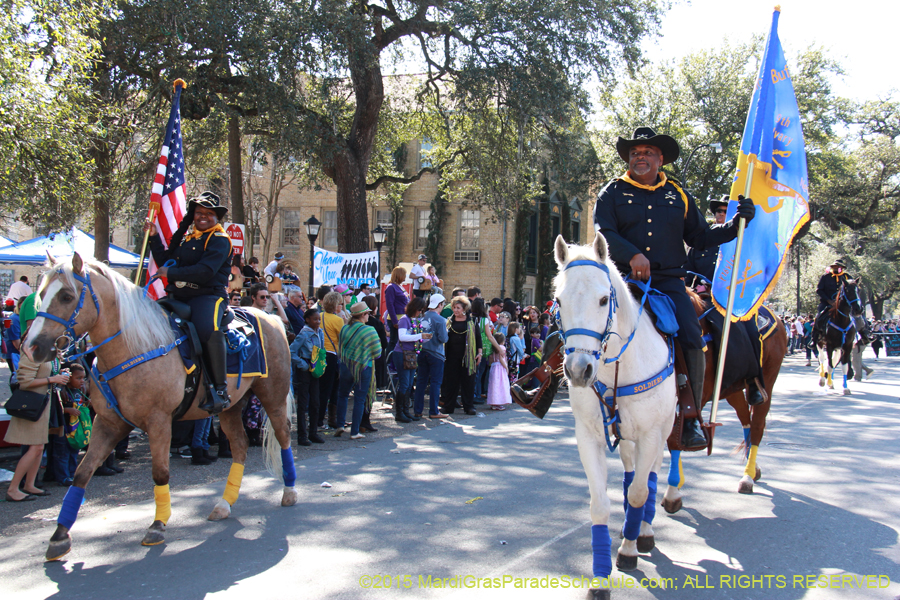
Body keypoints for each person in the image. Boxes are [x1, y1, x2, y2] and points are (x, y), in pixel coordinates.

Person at [594, 127, 756, 448]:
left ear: (661, 158)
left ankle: (690, 415)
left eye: (647, 152)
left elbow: (699, 237)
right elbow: (603, 231)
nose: (640, 157)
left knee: (693, 338)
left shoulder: (678, 195)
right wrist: (633, 254)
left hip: (668, 282)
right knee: (585, 320)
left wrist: (734, 226)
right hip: (623, 279)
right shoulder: (611, 192)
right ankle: (543, 384)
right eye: (635, 153)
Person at [148, 191, 234, 414]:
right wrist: (154, 236)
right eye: (198, 213)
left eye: (208, 213)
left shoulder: (220, 240)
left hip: (207, 296)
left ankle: (220, 390)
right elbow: (165, 261)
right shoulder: (189, 238)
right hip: (178, 296)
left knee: (208, 329)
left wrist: (173, 272)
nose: (202, 217)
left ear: (217, 217)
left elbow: (205, 272)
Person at [4, 352, 69, 501]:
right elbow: (24, 382)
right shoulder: (33, 351)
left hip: (45, 404)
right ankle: (13, 489)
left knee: (39, 447)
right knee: (36, 447)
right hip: (33, 405)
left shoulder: (49, 350)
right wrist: (53, 378)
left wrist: (59, 374)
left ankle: (29, 484)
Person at [335, 302, 383, 439]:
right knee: (360, 399)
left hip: (346, 365)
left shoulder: (345, 328)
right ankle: (355, 431)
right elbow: (377, 352)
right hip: (363, 367)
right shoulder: (369, 330)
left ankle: (340, 425)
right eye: (368, 313)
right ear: (363, 315)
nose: (369, 316)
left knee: (342, 395)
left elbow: (341, 346)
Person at [439, 296, 483, 415]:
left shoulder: (472, 322)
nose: (455, 310)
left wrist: (479, 353)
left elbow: (478, 338)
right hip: (451, 356)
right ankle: (449, 407)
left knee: (468, 382)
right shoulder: (449, 321)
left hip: (468, 357)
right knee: (451, 382)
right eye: (454, 307)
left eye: (458, 308)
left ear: (464, 308)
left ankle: (469, 406)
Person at [290, 308, 326, 445]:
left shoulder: (320, 333)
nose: (318, 322)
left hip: (315, 369)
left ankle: (313, 432)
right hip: (305, 369)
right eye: (315, 319)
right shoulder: (304, 334)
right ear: (307, 320)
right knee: (303, 403)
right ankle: (302, 435)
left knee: (315, 402)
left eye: (319, 319)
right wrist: (302, 364)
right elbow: (292, 351)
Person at [392, 297, 430, 423]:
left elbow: (412, 337)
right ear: (414, 308)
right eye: (419, 310)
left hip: (411, 354)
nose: (420, 312)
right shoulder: (404, 320)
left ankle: (405, 411)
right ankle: (399, 412)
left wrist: (425, 338)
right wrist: (420, 336)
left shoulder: (413, 320)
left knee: (408, 385)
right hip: (402, 354)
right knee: (404, 384)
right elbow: (402, 337)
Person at [414, 294, 449, 419]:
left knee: (421, 381)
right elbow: (443, 338)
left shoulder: (421, 316)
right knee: (435, 382)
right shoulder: (440, 320)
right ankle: (434, 411)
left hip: (422, 351)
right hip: (436, 354)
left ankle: (417, 410)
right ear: (439, 304)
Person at [684, 197, 728, 289]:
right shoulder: (700, 238)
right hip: (702, 296)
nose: (721, 214)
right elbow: (686, 274)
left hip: (727, 297)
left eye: (726, 211)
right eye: (719, 210)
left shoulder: (739, 244)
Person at [361, 295, 387, 432]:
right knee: (369, 392)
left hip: (358, 360)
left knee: (360, 392)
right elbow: (383, 343)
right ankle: (364, 421)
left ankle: (360, 421)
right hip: (372, 360)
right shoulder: (375, 324)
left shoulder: (353, 323)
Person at [319, 291, 345, 430]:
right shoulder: (338, 320)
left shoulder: (319, 316)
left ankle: (319, 418)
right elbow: (343, 339)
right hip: (332, 354)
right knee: (332, 389)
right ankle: (329, 419)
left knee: (321, 388)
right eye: (340, 303)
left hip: (319, 354)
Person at [471, 298, 496, 405]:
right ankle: (476, 394)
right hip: (482, 347)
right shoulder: (484, 320)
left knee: (473, 372)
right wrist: (498, 348)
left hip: (471, 346)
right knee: (479, 372)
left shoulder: (471, 318)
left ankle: (474, 394)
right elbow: (489, 336)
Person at [384, 267, 410, 346]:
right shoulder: (391, 287)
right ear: (399, 275)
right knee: (394, 342)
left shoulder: (400, 287)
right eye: (404, 275)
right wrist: (394, 321)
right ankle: (390, 358)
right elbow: (390, 305)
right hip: (396, 319)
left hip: (403, 317)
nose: (405, 277)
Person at [486, 332, 512, 410]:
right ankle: (499, 402)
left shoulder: (492, 348)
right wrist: (506, 367)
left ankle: (493, 402)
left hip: (494, 367)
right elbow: (501, 359)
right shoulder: (502, 348)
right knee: (501, 384)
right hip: (500, 368)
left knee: (494, 385)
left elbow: (490, 359)